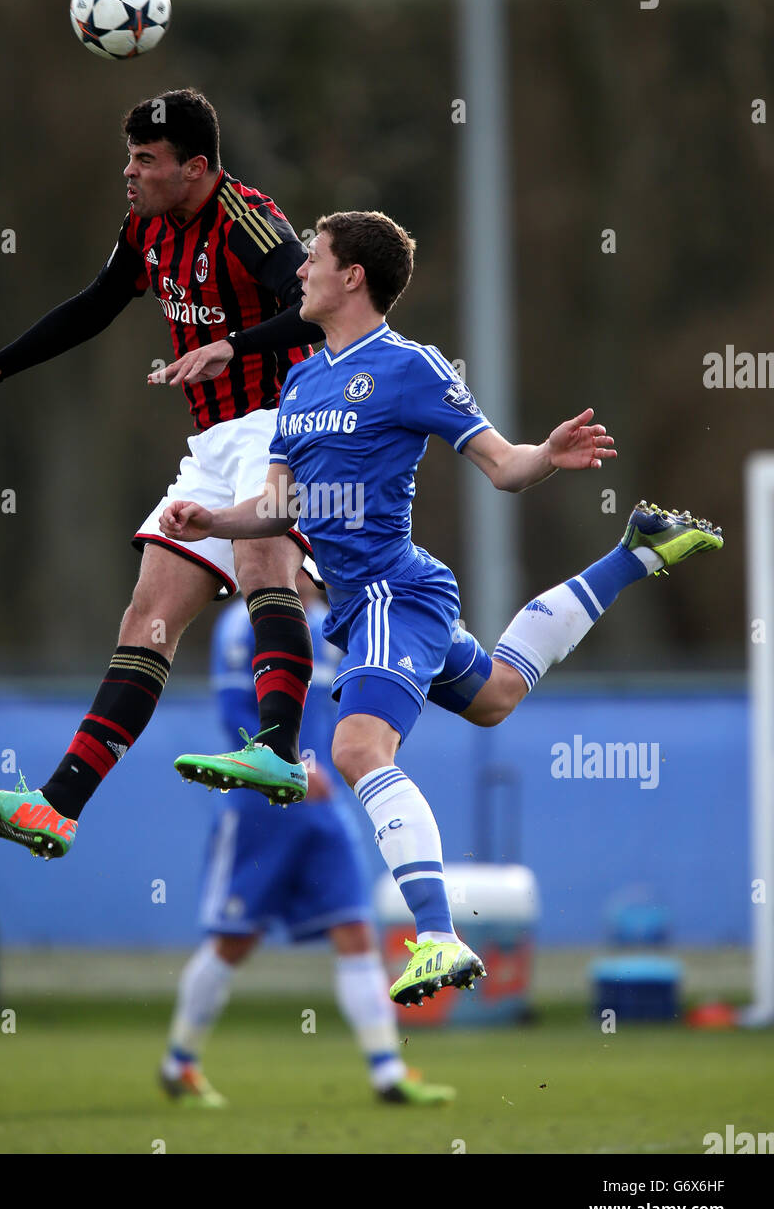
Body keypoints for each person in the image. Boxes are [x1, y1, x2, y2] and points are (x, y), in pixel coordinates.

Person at [158, 209, 723, 1006]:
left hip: (397, 591)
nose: (300, 274)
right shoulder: (300, 379)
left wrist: (546, 457)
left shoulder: (410, 367)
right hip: (361, 608)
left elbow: (502, 466)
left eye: (313, 259)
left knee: (356, 750)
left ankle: (437, 935)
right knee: (494, 696)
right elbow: (279, 507)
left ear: (353, 276)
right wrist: (215, 521)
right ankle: (634, 553)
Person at [0, 88, 332, 859]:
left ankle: (278, 749)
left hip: (287, 416)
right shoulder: (146, 226)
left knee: (259, 557)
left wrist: (233, 347)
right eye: (131, 157)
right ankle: (56, 806)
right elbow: (93, 306)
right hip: (215, 437)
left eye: (147, 160)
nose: (131, 171)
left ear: (198, 168)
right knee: (147, 615)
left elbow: (314, 308)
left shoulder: (248, 220)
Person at [162, 577, 454, 1107]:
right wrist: (293, 766)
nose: (319, 565)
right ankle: (178, 1062)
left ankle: (388, 1072)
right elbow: (234, 716)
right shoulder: (245, 623)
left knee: (354, 930)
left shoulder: (337, 623)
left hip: (324, 809)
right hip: (260, 807)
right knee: (234, 939)